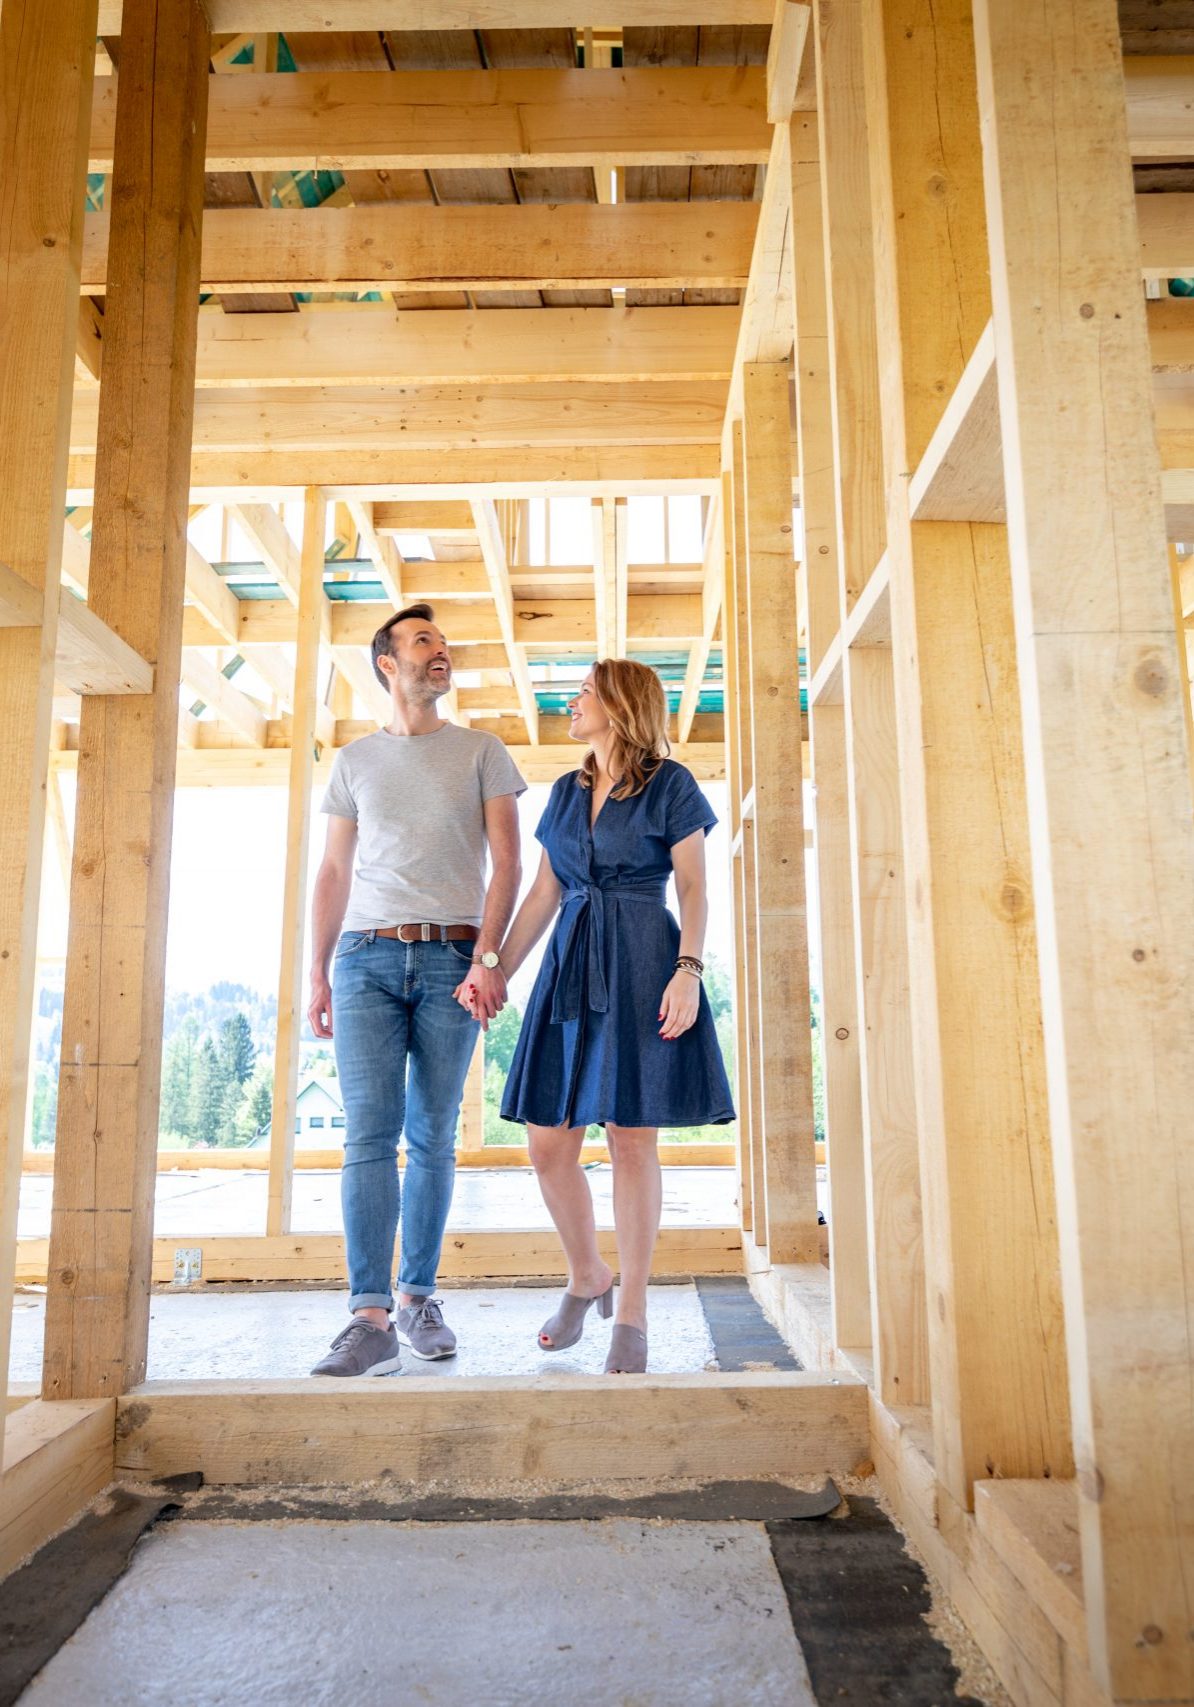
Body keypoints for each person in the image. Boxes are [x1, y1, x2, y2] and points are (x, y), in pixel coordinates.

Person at [490, 658, 734, 1374]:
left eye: (586, 692)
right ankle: (586, 1273)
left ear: (621, 706)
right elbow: (542, 893)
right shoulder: (567, 791)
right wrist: (498, 965)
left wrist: (688, 971)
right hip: (569, 965)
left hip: (643, 962)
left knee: (632, 1140)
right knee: (547, 1144)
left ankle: (631, 1309)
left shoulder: (671, 784)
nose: (573, 701)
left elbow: (693, 888)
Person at [306, 602, 525, 1377]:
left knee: (432, 1133)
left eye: (442, 642)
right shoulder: (355, 760)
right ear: (388, 665)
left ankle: (417, 1297)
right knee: (368, 1133)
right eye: (424, 641)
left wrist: (488, 957)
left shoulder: (482, 751)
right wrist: (317, 969)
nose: (442, 651)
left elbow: (509, 863)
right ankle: (370, 1319)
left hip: (452, 960)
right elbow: (334, 871)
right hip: (363, 959)